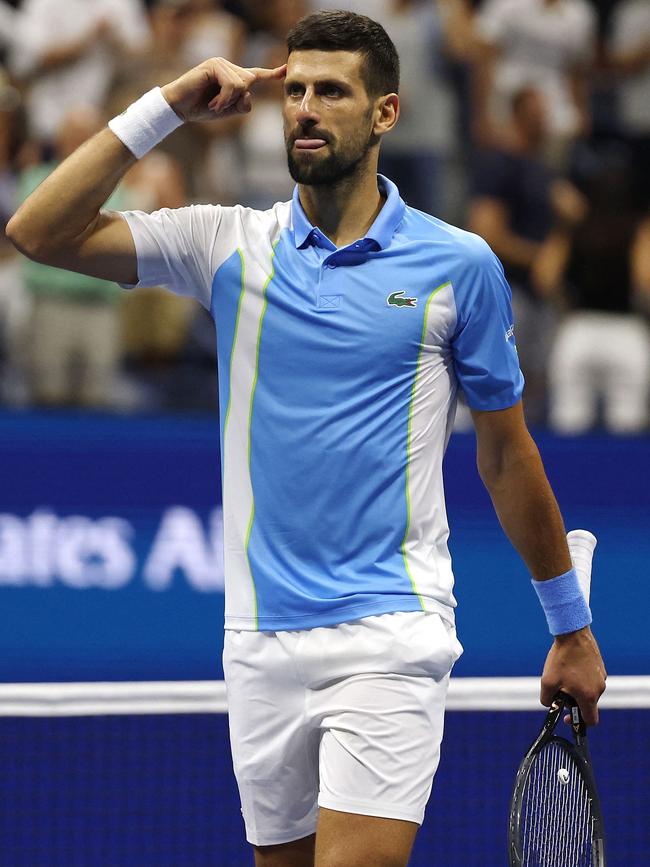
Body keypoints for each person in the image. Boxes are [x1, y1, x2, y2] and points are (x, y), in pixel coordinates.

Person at [7, 10, 606, 867]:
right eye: (293, 90)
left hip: (390, 631)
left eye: (331, 91)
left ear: (386, 113)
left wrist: (570, 627)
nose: (306, 109)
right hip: (257, 639)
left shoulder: (457, 265)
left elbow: (507, 455)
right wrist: (167, 106)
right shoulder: (227, 244)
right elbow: (38, 231)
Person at [466, 86, 587, 422]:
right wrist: (540, 258)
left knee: (539, 389)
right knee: (505, 387)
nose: (545, 120)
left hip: (542, 295)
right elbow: (485, 234)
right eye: (538, 112)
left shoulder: (543, 168)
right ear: (519, 114)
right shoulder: (499, 164)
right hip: (509, 293)